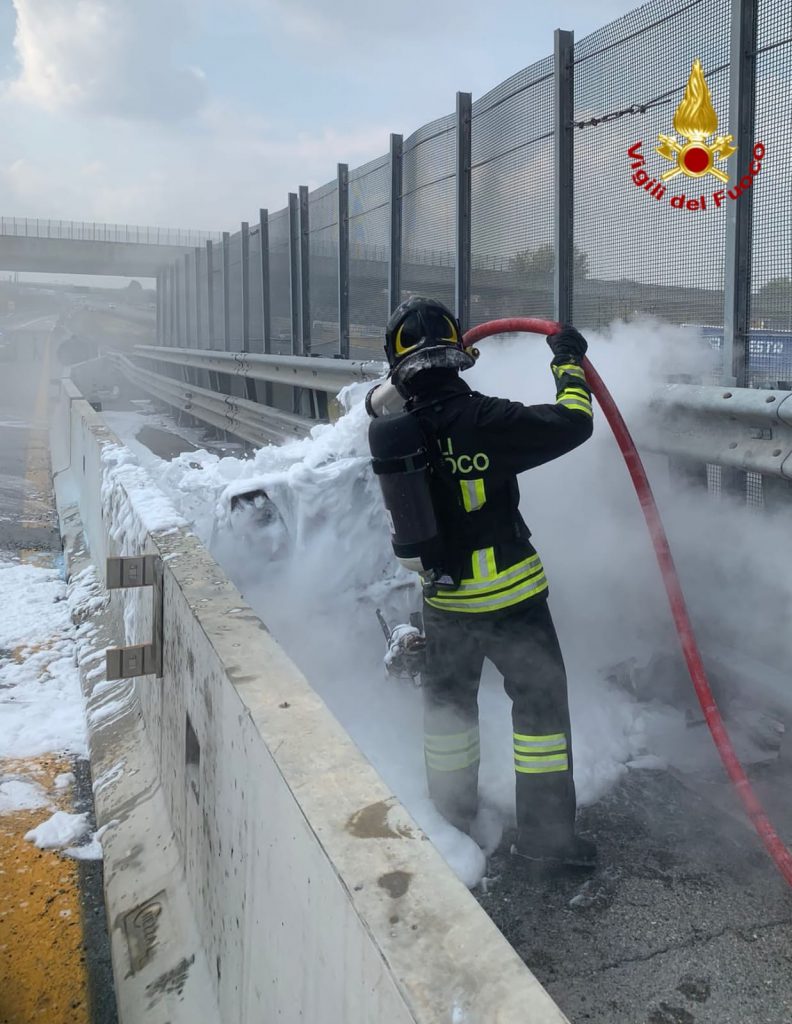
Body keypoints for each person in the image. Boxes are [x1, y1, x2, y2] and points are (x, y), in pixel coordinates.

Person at [366, 296, 596, 871]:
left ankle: (450, 825)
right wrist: (568, 360)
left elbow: (379, 403)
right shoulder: (489, 419)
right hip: (514, 602)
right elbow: (575, 420)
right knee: (540, 715)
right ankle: (546, 842)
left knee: (449, 714)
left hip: (444, 601)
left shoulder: (400, 432)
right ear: (458, 354)